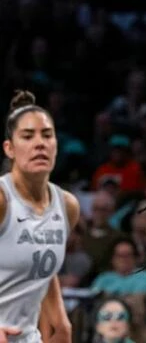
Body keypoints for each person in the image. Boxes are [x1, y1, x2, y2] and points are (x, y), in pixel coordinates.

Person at [0, 90, 80, 343]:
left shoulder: (67, 206)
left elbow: (40, 267)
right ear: (9, 148)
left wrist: (61, 323)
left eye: (47, 135)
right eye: (27, 136)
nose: (40, 143)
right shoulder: (2, 200)